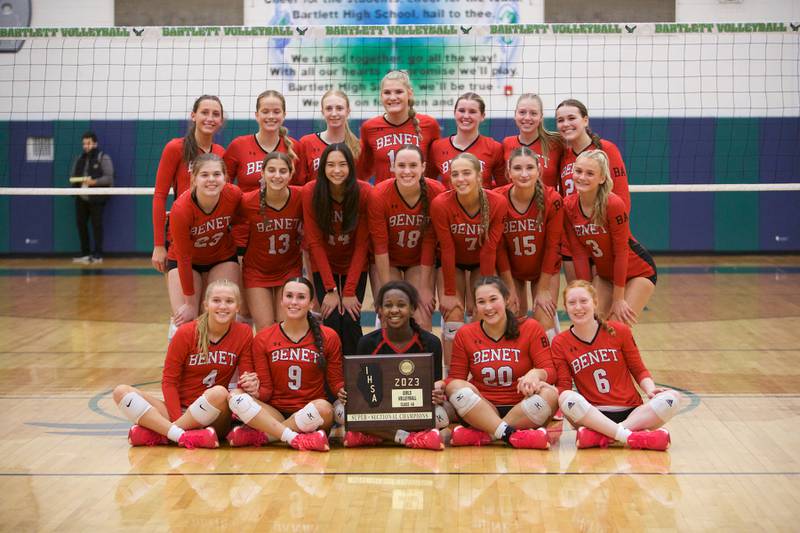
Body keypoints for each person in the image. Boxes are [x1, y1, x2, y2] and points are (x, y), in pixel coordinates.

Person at [113, 279, 252, 449]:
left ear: (238, 307)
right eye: (216, 300)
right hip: (180, 409)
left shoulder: (244, 333)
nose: (223, 306)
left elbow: (245, 377)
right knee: (121, 392)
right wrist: (177, 416)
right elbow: (169, 382)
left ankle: (165, 434)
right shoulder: (186, 333)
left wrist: (249, 383)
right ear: (206, 305)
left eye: (229, 301)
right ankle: (183, 435)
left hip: (215, 413)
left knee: (220, 393)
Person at [552, 280, 680, 450]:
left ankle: (606, 436)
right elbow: (564, 385)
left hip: (632, 411)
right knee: (565, 397)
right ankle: (631, 436)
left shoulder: (620, 331)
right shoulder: (560, 342)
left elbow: (638, 369)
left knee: (673, 398)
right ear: (565, 307)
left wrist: (650, 390)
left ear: (595, 303)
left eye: (584, 301)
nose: (578, 307)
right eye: (572, 303)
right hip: (593, 415)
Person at [226, 277, 344, 452]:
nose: (294, 302)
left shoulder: (329, 336)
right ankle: (296, 438)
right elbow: (265, 393)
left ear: (311, 303)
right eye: (289, 296)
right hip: (274, 411)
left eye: (301, 297)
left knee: (326, 409)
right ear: (281, 301)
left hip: (311, 412)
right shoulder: (263, 338)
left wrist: (345, 390)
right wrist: (255, 390)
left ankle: (267, 436)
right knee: (235, 395)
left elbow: (335, 383)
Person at [444, 277, 558, 449]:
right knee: (455, 387)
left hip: (522, 407)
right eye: (481, 302)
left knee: (551, 394)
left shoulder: (530, 327)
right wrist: (442, 384)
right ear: (475, 306)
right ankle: (511, 435)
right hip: (482, 408)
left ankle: (488, 434)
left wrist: (536, 373)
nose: (488, 307)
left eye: (493, 299)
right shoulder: (466, 334)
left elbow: (550, 371)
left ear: (506, 300)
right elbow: (455, 378)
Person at [342, 281, 449, 450]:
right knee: (343, 413)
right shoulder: (367, 343)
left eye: (401, 305)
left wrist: (437, 393)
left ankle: (375, 436)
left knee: (442, 415)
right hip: (380, 412)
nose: (394, 310)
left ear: (413, 309)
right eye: (388, 305)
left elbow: (435, 386)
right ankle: (408, 438)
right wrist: (348, 394)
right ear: (379, 310)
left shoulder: (431, 342)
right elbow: (361, 389)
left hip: (414, 412)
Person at [430, 153, 507, 374]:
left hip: (480, 263)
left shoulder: (497, 203)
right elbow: (446, 248)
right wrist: (450, 292)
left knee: (481, 311)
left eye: (466, 173)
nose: (460, 179)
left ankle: (480, 373)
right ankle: (452, 376)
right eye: (455, 174)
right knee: (453, 313)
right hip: (451, 262)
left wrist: (481, 290)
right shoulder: (441, 204)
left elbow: (489, 249)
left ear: (479, 176)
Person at [562, 150, 656, 325]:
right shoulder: (568, 205)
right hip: (605, 275)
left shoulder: (612, 204)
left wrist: (618, 299)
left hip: (637, 272)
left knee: (616, 328)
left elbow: (621, 252)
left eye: (590, 173)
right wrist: (586, 291)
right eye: (578, 171)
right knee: (589, 323)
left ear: (602, 178)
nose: (582, 177)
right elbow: (579, 253)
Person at [302, 144, 371, 355]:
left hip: (354, 263)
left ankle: (356, 377)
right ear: (323, 168)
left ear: (351, 167)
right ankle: (330, 379)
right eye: (330, 165)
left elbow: (362, 245)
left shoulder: (364, 192)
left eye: (342, 164)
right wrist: (331, 290)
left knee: (351, 318)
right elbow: (314, 243)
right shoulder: (311, 192)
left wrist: (349, 291)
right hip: (324, 262)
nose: (337, 170)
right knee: (331, 318)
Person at [368, 144, 445, 329]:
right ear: (392, 167)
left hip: (419, 260)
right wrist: (387, 291)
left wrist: (426, 288)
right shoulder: (379, 194)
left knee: (422, 316)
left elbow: (430, 242)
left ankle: (422, 358)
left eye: (413, 165)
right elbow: (380, 246)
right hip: (388, 260)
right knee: (389, 314)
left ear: (423, 168)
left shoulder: (437, 192)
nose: (407, 171)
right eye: (401, 165)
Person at [166, 153, 242, 336]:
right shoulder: (181, 209)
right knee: (187, 322)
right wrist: (190, 304)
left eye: (217, 174)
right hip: (186, 262)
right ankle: (178, 350)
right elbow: (184, 257)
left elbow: (247, 220)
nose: (211, 180)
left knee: (221, 316)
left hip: (221, 257)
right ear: (194, 179)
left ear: (225, 177)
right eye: (205, 175)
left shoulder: (233, 195)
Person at [495, 147, 564, 339]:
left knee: (544, 320)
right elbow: (498, 248)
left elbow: (553, 247)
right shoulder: (497, 198)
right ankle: (520, 367)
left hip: (544, 269)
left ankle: (551, 366)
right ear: (508, 172)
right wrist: (508, 285)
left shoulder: (553, 199)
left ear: (539, 170)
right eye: (517, 168)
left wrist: (542, 289)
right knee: (514, 319)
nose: (524, 174)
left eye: (529, 168)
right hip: (512, 269)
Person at [152, 95, 225, 274]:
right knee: (187, 299)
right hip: (182, 235)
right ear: (193, 116)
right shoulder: (176, 148)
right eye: (204, 112)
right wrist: (159, 245)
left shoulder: (221, 153)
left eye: (215, 114)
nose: (210, 118)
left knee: (214, 301)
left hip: (212, 238)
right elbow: (160, 196)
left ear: (221, 121)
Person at [224, 90, 304, 252]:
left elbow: (302, 192)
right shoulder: (238, 146)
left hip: (282, 232)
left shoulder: (295, 147)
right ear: (256, 115)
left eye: (276, 111)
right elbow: (225, 189)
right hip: (244, 232)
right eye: (265, 111)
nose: (271, 116)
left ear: (284, 114)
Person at [238, 152, 304, 331]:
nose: (277, 175)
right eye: (271, 170)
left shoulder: (301, 197)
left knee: (286, 326)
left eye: (283, 171)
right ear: (262, 173)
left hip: (288, 270)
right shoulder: (247, 202)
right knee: (265, 328)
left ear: (291, 174)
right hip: (257, 272)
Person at [357, 70, 441, 183]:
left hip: (420, 197)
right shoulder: (369, 128)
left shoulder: (429, 125)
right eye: (387, 92)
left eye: (399, 92)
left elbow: (433, 171)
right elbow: (362, 172)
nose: (392, 97)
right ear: (381, 96)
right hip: (383, 198)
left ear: (410, 93)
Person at [428, 92, 505, 189]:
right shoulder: (437, 147)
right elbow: (428, 185)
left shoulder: (494, 148)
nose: (466, 116)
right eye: (461, 110)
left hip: (483, 204)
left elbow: (503, 188)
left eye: (472, 111)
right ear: (454, 113)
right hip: (449, 203)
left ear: (482, 116)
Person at [296, 89, 360, 182]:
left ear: (348, 111)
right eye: (329, 109)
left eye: (339, 108)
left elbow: (361, 185)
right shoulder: (306, 143)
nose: (334, 113)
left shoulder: (358, 146)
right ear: (322, 112)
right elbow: (300, 184)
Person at [501, 93, 563, 189]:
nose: (527, 118)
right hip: (515, 203)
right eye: (522, 112)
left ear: (541, 117)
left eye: (533, 113)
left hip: (547, 202)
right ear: (515, 114)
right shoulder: (507, 143)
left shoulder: (556, 143)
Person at [71, 131, 114, 264]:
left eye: (88, 143)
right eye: (84, 143)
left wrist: (94, 182)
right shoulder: (79, 158)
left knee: (97, 225)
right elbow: (73, 176)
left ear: (95, 143)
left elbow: (109, 177)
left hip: (97, 198)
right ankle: (85, 254)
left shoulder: (103, 157)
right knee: (81, 224)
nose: (86, 146)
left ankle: (98, 255)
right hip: (81, 198)